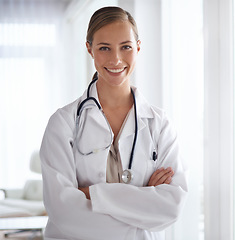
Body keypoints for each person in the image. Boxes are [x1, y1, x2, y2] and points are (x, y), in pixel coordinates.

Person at [40, 6, 188, 240]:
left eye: (126, 47)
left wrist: (92, 195)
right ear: (89, 49)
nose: (116, 59)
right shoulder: (63, 123)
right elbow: (64, 211)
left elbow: (171, 208)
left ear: (138, 47)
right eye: (104, 48)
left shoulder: (159, 125)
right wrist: (143, 199)